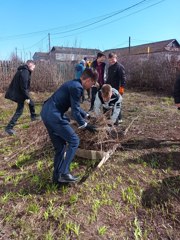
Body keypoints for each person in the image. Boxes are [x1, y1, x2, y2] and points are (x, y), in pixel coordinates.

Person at [40, 68, 98, 184]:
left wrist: (87, 115)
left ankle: (57, 178)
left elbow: (75, 107)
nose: (91, 86)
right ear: (88, 80)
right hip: (54, 115)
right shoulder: (77, 88)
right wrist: (85, 125)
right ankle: (64, 173)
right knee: (74, 141)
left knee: (60, 147)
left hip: (46, 113)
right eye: (92, 83)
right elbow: (75, 112)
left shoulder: (73, 83)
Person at [5, 60, 40, 135]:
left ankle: (33, 116)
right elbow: (23, 87)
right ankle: (9, 128)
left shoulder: (23, 70)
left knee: (31, 104)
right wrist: (27, 97)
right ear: (30, 64)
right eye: (34, 66)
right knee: (20, 111)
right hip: (20, 94)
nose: (34, 68)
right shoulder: (25, 72)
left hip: (19, 93)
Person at [106, 52, 126, 123]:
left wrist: (121, 89)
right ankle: (117, 117)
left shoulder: (120, 67)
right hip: (110, 89)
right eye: (110, 59)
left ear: (116, 57)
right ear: (109, 59)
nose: (112, 60)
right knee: (112, 103)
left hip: (118, 89)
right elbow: (108, 78)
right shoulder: (110, 68)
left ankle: (118, 119)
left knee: (117, 103)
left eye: (113, 58)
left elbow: (123, 79)